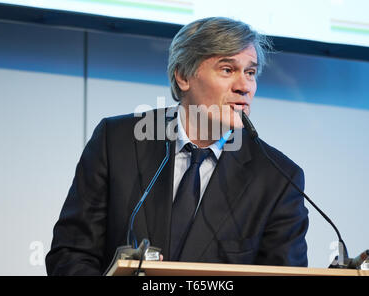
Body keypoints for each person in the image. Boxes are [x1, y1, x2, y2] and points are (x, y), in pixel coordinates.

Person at [45, 17, 308, 275]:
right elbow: (71, 254)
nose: (244, 87)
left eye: (250, 73)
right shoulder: (116, 143)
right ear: (183, 76)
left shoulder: (278, 179)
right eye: (227, 70)